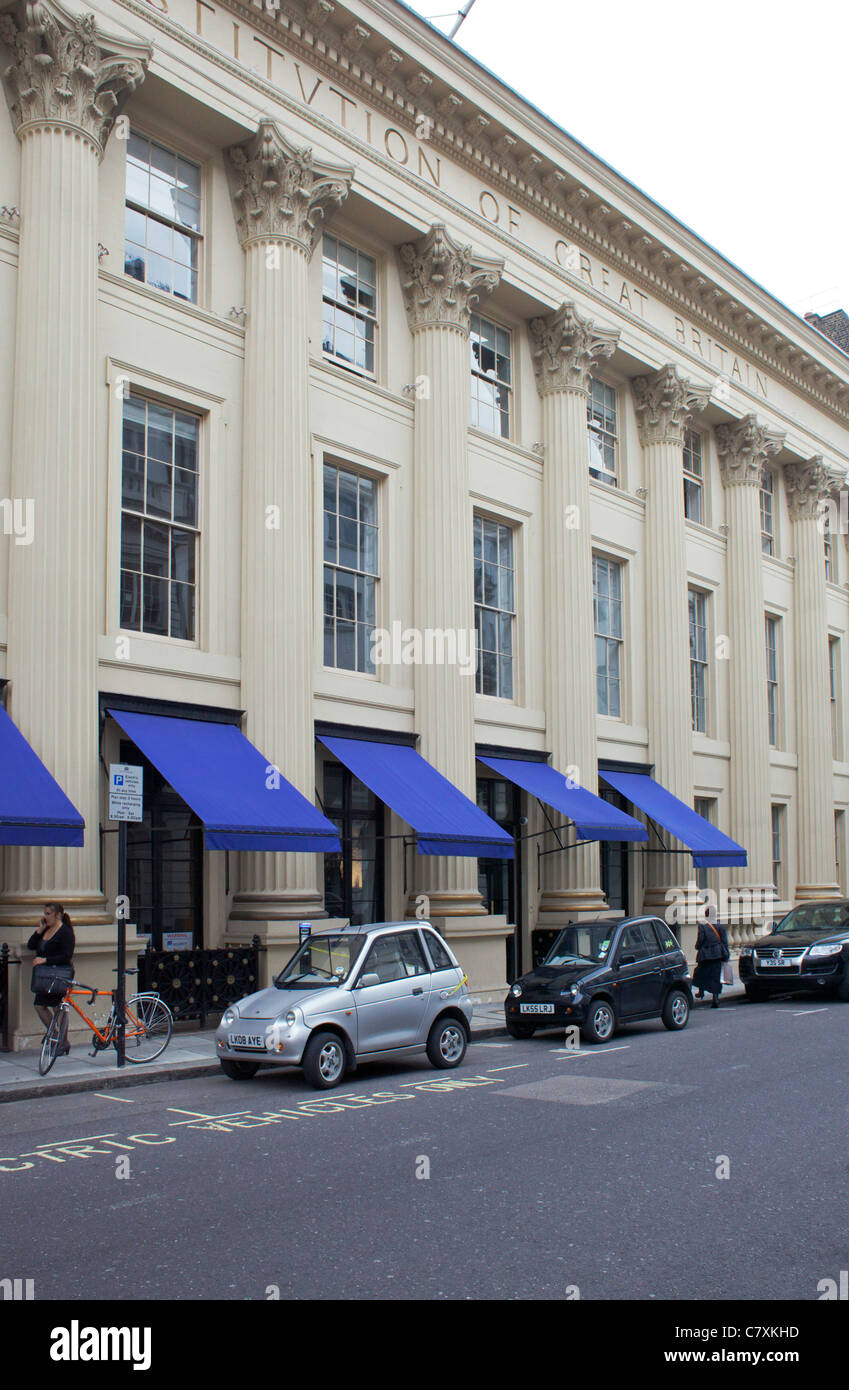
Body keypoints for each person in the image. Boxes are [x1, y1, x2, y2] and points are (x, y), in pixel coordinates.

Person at [28, 903, 75, 1050]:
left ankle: (62, 1042)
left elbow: (67, 956)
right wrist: (40, 929)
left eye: (48, 913)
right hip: (44, 976)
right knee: (39, 1005)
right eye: (45, 913)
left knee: (58, 1008)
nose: (45, 916)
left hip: (59, 975)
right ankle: (56, 1036)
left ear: (58, 915)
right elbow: (31, 945)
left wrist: (45, 960)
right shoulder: (46, 930)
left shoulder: (65, 932)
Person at [693, 912, 729, 1009]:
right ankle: (715, 999)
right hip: (718, 954)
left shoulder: (702, 925)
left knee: (701, 972)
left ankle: (701, 992)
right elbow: (724, 941)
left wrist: (697, 946)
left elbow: (700, 939)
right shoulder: (720, 925)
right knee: (716, 977)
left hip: (705, 955)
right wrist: (726, 954)